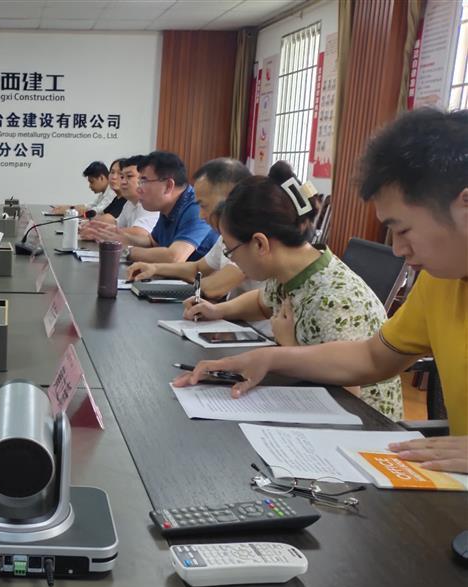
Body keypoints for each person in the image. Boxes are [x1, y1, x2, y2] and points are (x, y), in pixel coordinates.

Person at [176, 108, 467, 471]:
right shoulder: (441, 282)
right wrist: (269, 358)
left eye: (404, 230)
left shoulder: (340, 293)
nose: (397, 250)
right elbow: (372, 357)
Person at [177, 163, 403, 420]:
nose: (232, 259)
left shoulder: (332, 301)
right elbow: (263, 301)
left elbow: (347, 398)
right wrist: (218, 310)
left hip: (363, 423)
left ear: (260, 244)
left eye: (231, 250)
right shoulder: (294, 269)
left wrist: (288, 346)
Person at [125, 157, 253, 302]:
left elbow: (214, 288)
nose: (201, 215)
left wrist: (171, 288)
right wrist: (154, 268)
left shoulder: (250, 237)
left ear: (231, 199)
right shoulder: (226, 236)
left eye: (203, 205)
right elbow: (197, 268)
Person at [117, 151, 218, 263]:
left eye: (143, 181)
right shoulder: (168, 205)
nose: (138, 189)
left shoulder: (197, 206)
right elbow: (152, 242)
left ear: (169, 186)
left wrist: (125, 252)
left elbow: (174, 257)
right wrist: (122, 238)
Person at [82, 154, 159, 241]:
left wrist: (99, 232)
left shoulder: (150, 203)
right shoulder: (129, 203)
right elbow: (117, 225)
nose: (123, 182)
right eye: (122, 177)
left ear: (143, 178)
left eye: (129, 176)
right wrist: (95, 229)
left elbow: (141, 233)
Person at [50, 161, 117, 216]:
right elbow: (90, 206)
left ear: (101, 178)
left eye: (92, 182)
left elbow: (97, 211)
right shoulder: (103, 193)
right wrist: (70, 207)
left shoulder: (112, 192)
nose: (90, 186)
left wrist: (68, 211)